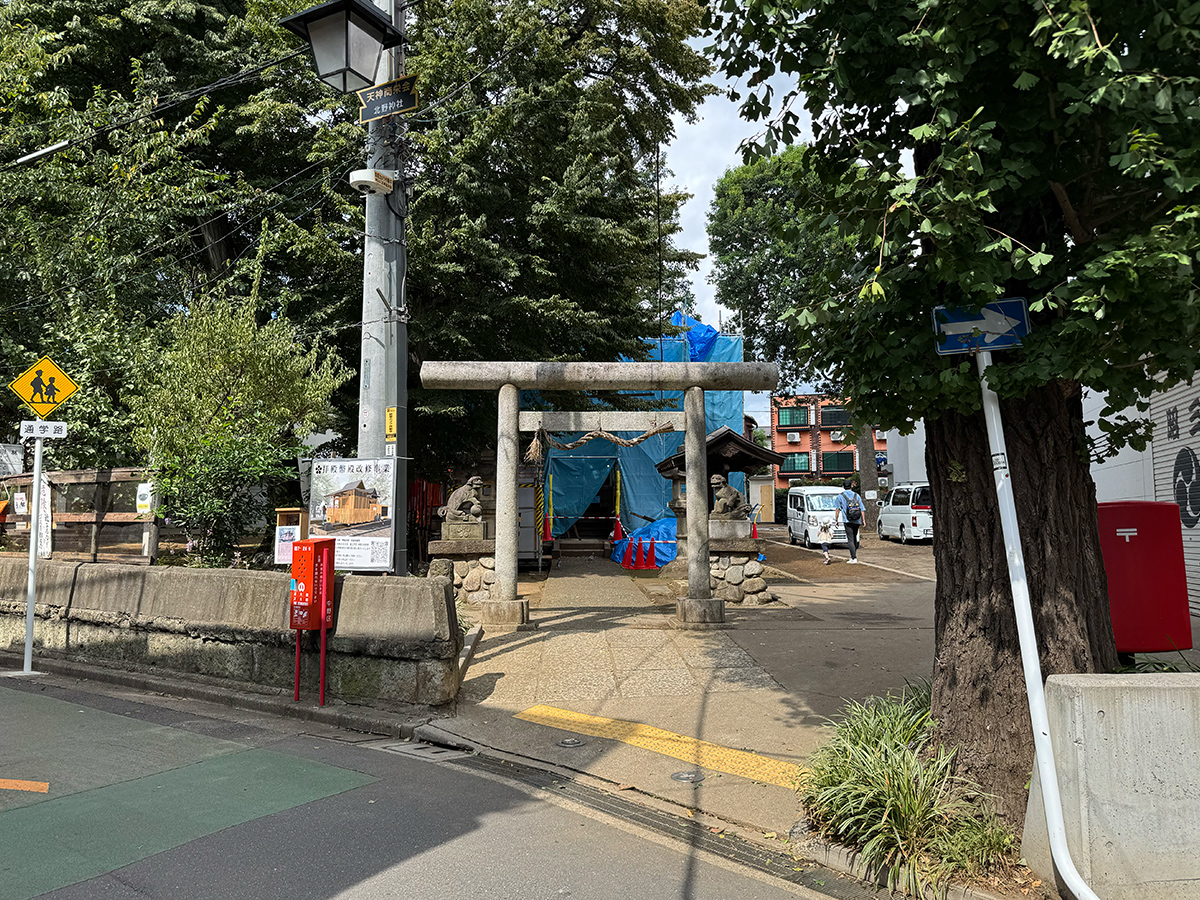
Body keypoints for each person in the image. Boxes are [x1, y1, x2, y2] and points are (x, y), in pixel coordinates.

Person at [833, 478, 866, 564]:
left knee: (850, 539)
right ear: (851, 486)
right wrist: (864, 520)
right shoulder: (856, 495)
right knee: (854, 537)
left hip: (847, 520)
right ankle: (854, 555)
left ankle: (853, 557)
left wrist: (836, 520)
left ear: (843, 487)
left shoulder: (840, 496)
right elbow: (862, 509)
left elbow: (837, 509)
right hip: (857, 519)